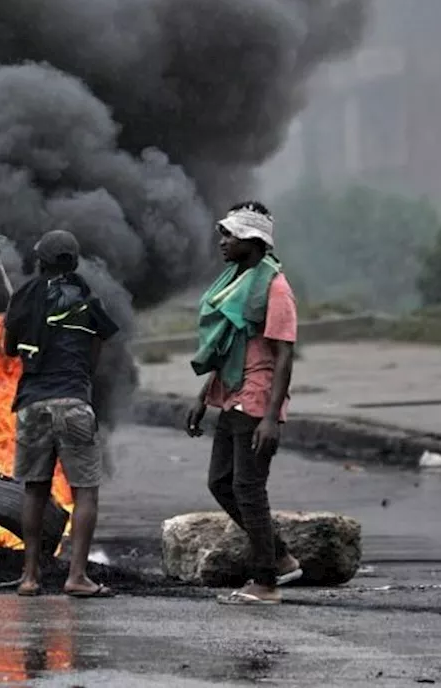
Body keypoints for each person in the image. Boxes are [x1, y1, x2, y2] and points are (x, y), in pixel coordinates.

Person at [186, 201, 302, 606]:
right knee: (221, 483)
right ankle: (282, 557)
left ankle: (265, 581)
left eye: (229, 235)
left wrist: (271, 418)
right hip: (231, 394)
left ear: (252, 241)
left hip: (257, 400)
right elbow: (227, 346)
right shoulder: (236, 282)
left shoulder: (275, 288)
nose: (222, 242)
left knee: (248, 488)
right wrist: (203, 398)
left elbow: (284, 355)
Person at [4, 229, 120, 598]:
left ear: (39, 260)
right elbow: (93, 358)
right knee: (85, 492)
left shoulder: (25, 296)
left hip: (33, 404)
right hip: (73, 402)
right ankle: (77, 576)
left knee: (34, 491)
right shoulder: (87, 299)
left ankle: (29, 577)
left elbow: (11, 349)